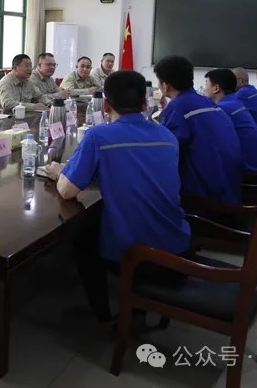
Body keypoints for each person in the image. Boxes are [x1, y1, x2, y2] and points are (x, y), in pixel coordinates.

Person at [45, 70, 190, 322]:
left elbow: (67, 191)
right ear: (145, 104)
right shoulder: (166, 136)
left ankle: (102, 314)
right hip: (176, 240)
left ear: (106, 105)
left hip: (135, 253)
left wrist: (59, 171)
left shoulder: (99, 136)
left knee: (82, 236)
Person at [154, 56, 242, 205]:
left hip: (205, 198)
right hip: (229, 187)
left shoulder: (179, 106)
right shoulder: (205, 101)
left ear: (165, 85)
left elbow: (163, 151)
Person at [204, 69, 257, 174]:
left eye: (206, 84)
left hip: (245, 168)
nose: (204, 89)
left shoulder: (223, 108)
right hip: (254, 161)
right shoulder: (234, 101)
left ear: (216, 88)